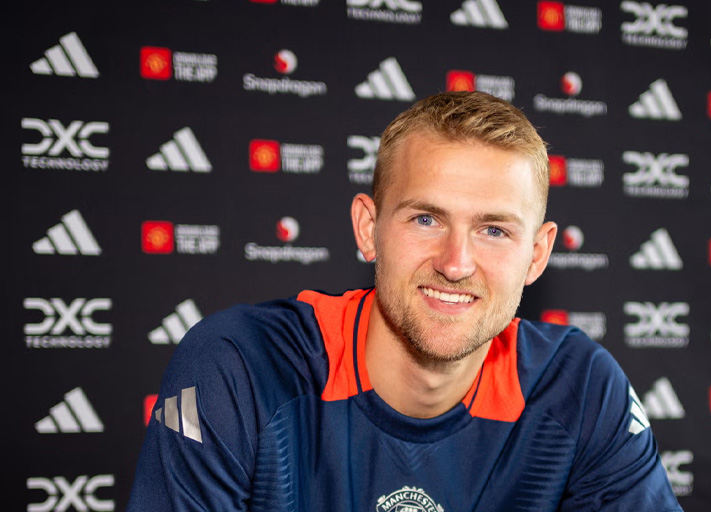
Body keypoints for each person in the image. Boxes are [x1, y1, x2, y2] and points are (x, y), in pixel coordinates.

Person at [127, 92, 682, 511]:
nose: (456, 262)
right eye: (425, 218)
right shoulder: (244, 367)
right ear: (368, 229)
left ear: (537, 255)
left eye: (493, 230)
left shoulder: (579, 388)